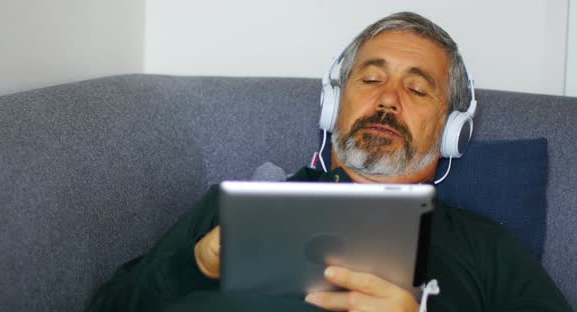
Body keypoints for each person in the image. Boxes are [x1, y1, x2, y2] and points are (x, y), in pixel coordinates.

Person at [86, 12, 571, 312]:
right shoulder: (233, 209)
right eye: (370, 79)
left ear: (451, 130)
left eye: (417, 88)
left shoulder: (484, 246)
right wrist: (192, 265)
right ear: (333, 105)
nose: (387, 100)